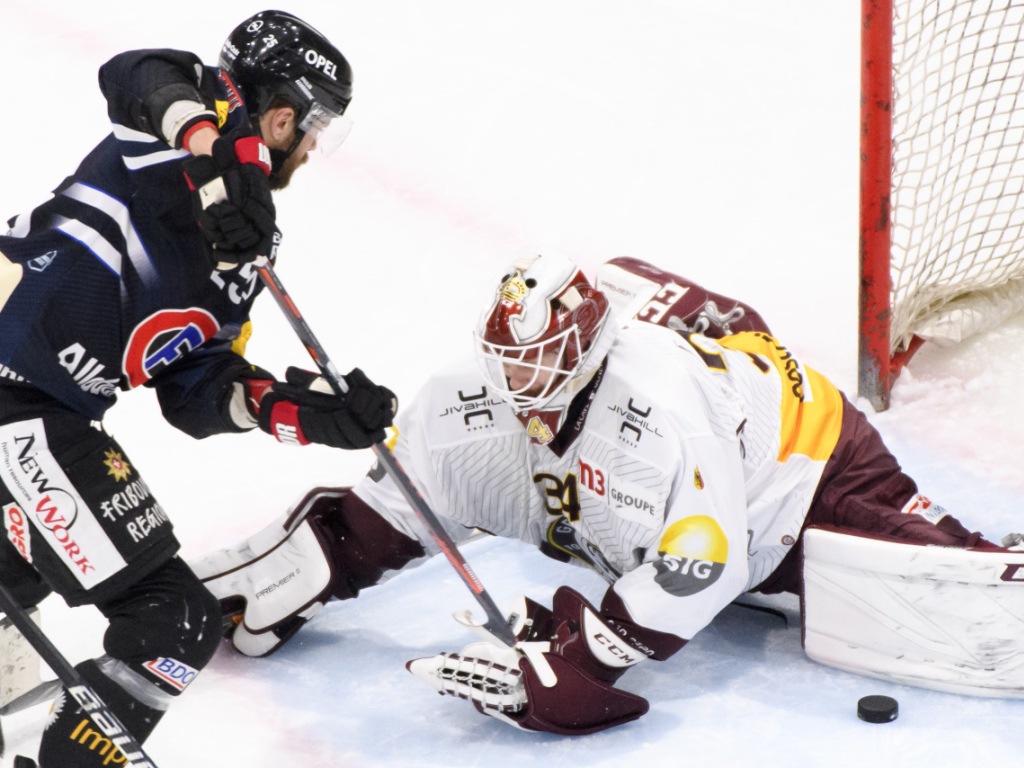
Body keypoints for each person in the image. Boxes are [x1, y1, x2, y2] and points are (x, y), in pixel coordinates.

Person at [192, 251, 1023, 736]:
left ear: (587, 346)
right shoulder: (470, 398)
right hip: (694, 490)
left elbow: (709, 560)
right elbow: (411, 501)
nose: (518, 383)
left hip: (807, 469)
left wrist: (580, 659)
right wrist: (325, 556)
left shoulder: (660, 409)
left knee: (957, 594)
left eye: (536, 362)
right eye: (508, 362)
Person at [0, 10, 396, 766]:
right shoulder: (184, 120)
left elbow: (193, 383)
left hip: (39, 409)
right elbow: (133, 73)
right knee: (174, 618)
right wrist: (218, 152)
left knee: (19, 567)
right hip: (17, 397)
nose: (311, 150)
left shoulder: (247, 236)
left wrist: (303, 412)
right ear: (284, 113)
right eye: (313, 128)